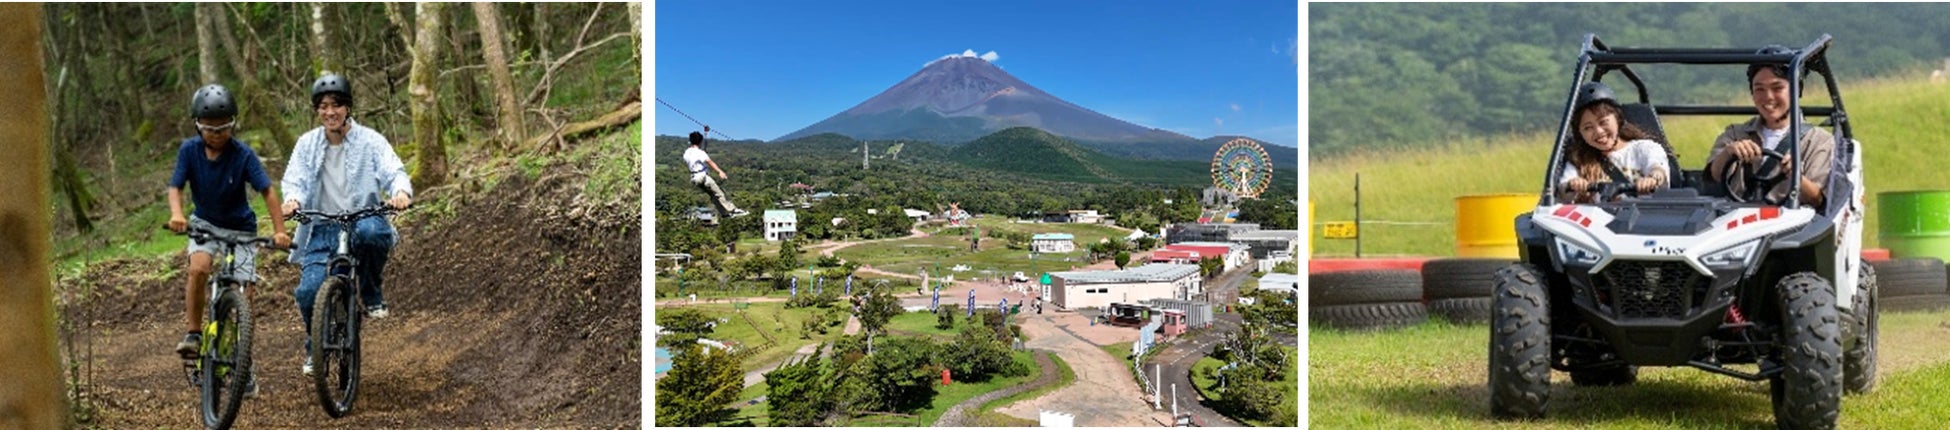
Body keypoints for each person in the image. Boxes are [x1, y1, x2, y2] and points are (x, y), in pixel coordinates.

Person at [279, 73, 412, 375]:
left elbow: (394, 171)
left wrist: (401, 193)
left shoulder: (370, 140)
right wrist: (292, 201)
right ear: (317, 110)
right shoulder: (306, 144)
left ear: (348, 107)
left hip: (362, 217)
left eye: (337, 105)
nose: (330, 112)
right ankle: (315, 342)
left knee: (373, 233)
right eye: (323, 106)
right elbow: (295, 180)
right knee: (307, 292)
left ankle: (370, 291)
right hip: (320, 228)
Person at [168, 84, 290, 396]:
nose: (217, 134)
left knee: (245, 290)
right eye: (209, 128)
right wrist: (178, 214)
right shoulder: (189, 151)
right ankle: (194, 333)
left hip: (241, 228)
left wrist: (279, 230)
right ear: (198, 125)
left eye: (223, 127)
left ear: (233, 124)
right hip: (205, 223)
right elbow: (176, 186)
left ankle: (242, 357)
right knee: (198, 268)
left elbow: (267, 191)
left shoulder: (243, 154)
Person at [1706, 45, 1834, 207]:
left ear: (1796, 90)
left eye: (1777, 88)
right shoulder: (1735, 134)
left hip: (1791, 225)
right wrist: (1729, 153)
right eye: (1759, 89)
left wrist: (1797, 178)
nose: (1768, 97)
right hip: (1737, 221)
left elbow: (1818, 200)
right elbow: (1714, 176)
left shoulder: (1818, 141)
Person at [1557, 82, 1669, 203]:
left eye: (1603, 122)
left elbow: (1657, 169)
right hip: (1599, 219)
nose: (1598, 131)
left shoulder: (1645, 148)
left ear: (1618, 119)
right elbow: (1562, 191)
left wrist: (1652, 179)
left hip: (1644, 217)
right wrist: (1573, 184)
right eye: (1588, 128)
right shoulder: (1579, 160)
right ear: (1580, 134)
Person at [684, 128, 749, 222]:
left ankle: (724, 214)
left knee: (713, 196)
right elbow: (710, 162)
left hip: (694, 179)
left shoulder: (687, 153)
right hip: (703, 177)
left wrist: (705, 134)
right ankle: (733, 210)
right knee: (720, 193)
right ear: (700, 141)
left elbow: (700, 151)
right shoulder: (700, 153)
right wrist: (720, 172)